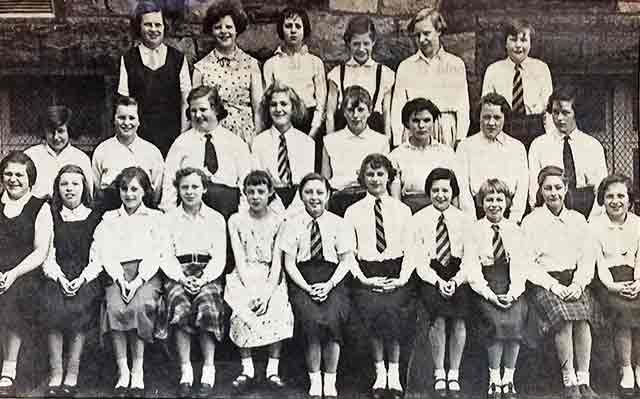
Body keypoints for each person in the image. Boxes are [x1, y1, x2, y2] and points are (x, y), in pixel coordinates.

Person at [521, 166, 602, 399]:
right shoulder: (531, 222)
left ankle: (584, 380)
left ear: (566, 189)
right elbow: (528, 264)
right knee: (565, 319)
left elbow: (587, 258)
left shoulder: (577, 220)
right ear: (540, 191)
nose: (553, 193)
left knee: (583, 320)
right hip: (546, 282)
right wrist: (553, 285)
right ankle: (569, 380)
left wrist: (578, 284)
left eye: (558, 187)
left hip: (574, 281)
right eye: (547, 188)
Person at [279, 173, 356, 399]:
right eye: (309, 192)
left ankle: (330, 378)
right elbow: (289, 264)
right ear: (301, 195)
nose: (314, 197)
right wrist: (307, 287)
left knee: (332, 317)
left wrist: (329, 285)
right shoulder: (292, 224)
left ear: (328, 195)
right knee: (311, 319)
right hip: (303, 278)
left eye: (319, 192)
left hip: (333, 278)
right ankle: (315, 378)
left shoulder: (339, 224)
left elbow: (346, 261)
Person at [91, 167, 166, 396]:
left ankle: (138, 369)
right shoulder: (110, 218)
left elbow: (158, 252)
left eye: (135, 189)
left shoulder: (155, 217)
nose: (129, 194)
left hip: (146, 273)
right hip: (117, 272)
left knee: (138, 306)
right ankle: (123, 370)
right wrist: (119, 278)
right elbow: (104, 251)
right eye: (124, 189)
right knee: (115, 306)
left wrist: (137, 280)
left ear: (144, 191)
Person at [344, 154, 413, 399]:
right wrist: (363, 279)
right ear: (362, 178)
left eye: (380, 174)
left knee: (393, 312)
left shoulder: (402, 210)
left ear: (389, 177)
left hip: (395, 271)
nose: (375, 179)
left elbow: (411, 249)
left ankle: (394, 374)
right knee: (373, 312)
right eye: (370, 174)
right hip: (367, 272)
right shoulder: (352, 212)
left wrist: (402, 278)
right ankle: (379, 372)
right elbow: (348, 252)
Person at [403, 167, 474, 399]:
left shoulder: (464, 220)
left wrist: (456, 280)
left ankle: (454, 371)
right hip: (431, 274)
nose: (440, 195)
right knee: (439, 317)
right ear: (428, 192)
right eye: (435, 190)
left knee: (460, 318)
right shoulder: (419, 219)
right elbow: (418, 259)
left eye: (445, 190)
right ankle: (439, 372)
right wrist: (437, 281)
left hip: (458, 273)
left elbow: (471, 258)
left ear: (453, 192)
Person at [225, 170, 294, 394]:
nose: (255, 196)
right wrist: (251, 291)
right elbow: (239, 258)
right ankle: (247, 369)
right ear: (244, 193)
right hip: (244, 274)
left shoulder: (279, 221)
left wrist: (265, 294)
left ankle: (272, 369)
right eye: (251, 191)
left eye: (260, 191)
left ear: (270, 193)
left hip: (269, 276)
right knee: (242, 309)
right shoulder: (235, 220)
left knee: (277, 307)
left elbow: (277, 263)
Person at [161, 167, 227, 398]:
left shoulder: (216, 219)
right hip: (178, 271)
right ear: (178, 190)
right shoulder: (169, 218)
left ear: (204, 189)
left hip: (207, 272)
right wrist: (181, 277)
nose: (189, 192)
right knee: (180, 305)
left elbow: (220, 257)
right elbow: (165, 255)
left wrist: (203, 279)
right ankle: (186, 370)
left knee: (206, 305)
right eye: (185, 187)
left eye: (195, 187)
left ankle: (209, 368)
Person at [40, 165, 102, 397]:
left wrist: (82, 279)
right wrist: (59, 277)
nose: (70, 189)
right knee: (52, 303)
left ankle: (72, 372)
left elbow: (98, 257)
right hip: (57, 273)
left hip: (86, 274)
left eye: (75, 184)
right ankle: (56, 371)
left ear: (84, 187)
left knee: (80, 306)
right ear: (57, 187)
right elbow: (48, 254)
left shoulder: (94, 217)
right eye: (64, 184)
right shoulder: (51, 214)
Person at [467, 179, 529, 399]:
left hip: (512, 285)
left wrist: (513, 294)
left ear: (507, 202)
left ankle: (508, 379)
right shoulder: (474, 230)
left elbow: (522, 265)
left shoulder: (515, 230)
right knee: (496, 323)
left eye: (499, 199)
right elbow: (471, 269)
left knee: (514, 321)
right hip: (486, 286)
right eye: (489, 200)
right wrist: (491, 295)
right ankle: (494, 378)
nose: (494, 204)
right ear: (481, 203)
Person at [0, 151, 53, 398]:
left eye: (19, 174)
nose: (13, 179)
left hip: (26, 272)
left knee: (14, 295)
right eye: (8, 174)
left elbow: (40, 251)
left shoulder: (39, 207)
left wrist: (13, 273)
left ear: (30, 178)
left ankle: (9, 366)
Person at [161, 85, 252, 219]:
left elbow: (246, 182)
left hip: (227, 210)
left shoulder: (235, 143)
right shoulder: (181, 143)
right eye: (193, 110)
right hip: (190, 211)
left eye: (203, 109)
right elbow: (169, 182)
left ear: (215, 109)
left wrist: (242, 216)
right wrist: (170, 215)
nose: (198, 115)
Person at [118, 1, 191, 156]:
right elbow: (124, 102)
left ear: (164, 27)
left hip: (172, 136)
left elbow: (186, 101)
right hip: (139, 137)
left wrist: (182, 138)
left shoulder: (178, 59)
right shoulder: (128, 59)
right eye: (148, 25)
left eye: (158, 25)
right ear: (139, 27)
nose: (153, 29)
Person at [589, 174, 640, 396]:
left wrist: (639, 282)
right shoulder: (594, 226)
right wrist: (613, 286)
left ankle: (639, 366)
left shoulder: (638, 224)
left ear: (630, 199)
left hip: (635, 277)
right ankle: (626, 368)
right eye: (609, 196)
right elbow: (599, 264)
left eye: (621, 195)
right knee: (623, 309)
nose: (615, 201)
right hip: (607, 281)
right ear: (602, 199)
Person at [391, 8, 469, 148]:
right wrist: (397, 141)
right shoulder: (406, 66)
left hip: (444, 128)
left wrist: (460, 139)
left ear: (438, 31)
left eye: (426, 34)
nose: (422, 40)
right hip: (414, 130)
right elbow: (397, 107)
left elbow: (463, 106)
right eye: (417, 35)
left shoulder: (455, 65)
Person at [528, 87, 608, 219]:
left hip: (586, 213)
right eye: (555, 112)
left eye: (565, 113)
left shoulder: (592, 146)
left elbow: (601, 189)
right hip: (550, 214)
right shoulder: (539, 145)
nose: (559, 118)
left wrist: (591, 221)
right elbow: (534, 190)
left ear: (576, 113)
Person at [263, 7, 327, 171]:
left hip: (309, 123)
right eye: (288, 26)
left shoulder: (315, 62)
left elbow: (321, 101)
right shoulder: (271, 64)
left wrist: (313, 130)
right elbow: (267, 101)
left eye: (298, 26)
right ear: (281, 29)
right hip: (282, 121)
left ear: (304, 30)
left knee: (308, 170)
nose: (293, 31)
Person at [193, 0, 263, 146]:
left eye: (229, 27)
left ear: (237, 29)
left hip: (245, 135)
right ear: (211, 31)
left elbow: (258, 109)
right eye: (218, 27)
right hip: (213, 134)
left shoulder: (251, 65)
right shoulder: (201, 68)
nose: (224, 31)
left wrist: (258, 140)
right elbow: (195, 110)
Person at [456, 93, 528, 222]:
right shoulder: (465, 146)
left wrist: (513, 220)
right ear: (479, 118)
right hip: (476, 214)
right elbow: (463, 188)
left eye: (497, 117)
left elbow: (522, 189)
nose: (491, 123)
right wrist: (471, 221)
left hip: (508, 214)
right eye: (486, 117)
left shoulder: (517, 148)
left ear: (505, 118)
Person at [482, 18, 552, 149]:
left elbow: (549, 111)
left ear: (530, 43)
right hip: (504, 128)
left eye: (524, 40)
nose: (518, 45)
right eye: (513, 40)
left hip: (534, 128)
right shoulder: (493, 71)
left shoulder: (541, 69)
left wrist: (550, 139)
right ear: (505, 43)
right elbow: (486, 108)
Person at [322, 85, 389, 216]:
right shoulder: (330, 141)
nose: (355, 115)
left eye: (361, 110)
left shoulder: (381, 141)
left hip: (369, 199)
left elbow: (385, 179)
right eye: (350, 110)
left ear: (370, 111)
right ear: (344, 112)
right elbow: (325, 179)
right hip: (339, 200)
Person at [326, 15, 395, 140]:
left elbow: (387, 114)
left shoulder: (385, 74)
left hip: (374, 134)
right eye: (356, 44)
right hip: (344, 134)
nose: (361, 49)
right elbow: (330, 114)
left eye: (366, 43)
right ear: (348, 43)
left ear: (373, 42)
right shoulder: (337, 74)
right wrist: (330, 142)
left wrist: (387, 141)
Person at [92, 96, 164, 212]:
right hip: (109, 215)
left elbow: (157, 193)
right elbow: (96, 190)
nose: (126, 123)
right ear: (114, 120)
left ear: (138, 121)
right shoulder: (102, 151)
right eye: (121, 118)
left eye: (131, 118)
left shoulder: (152, 152)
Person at [389, 98, 459, 214]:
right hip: (410, 212)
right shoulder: (396, 155)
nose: (421, 126)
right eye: (416, 121)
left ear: (434, 122)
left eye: (426, 120)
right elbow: (395, 198)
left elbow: (455, 192)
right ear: (407, 123)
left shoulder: (446, 153)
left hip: (440, 211)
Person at [252, 81, 315, 208]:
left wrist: (294, 210)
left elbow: (307, 182)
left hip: (299, 204)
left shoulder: (307, 142)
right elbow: (258, 182)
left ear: (293, 108)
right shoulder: (259, 142)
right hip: (269, 203)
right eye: (273, 105)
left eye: (284, 104)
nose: (278, 109)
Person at [24, 105, 93, 201]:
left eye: (60, 131)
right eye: (51, 132)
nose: (56, 137)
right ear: (44, 131)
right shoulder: (31, 155)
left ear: (69, 130)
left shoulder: (81, 159)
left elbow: (88, 196)